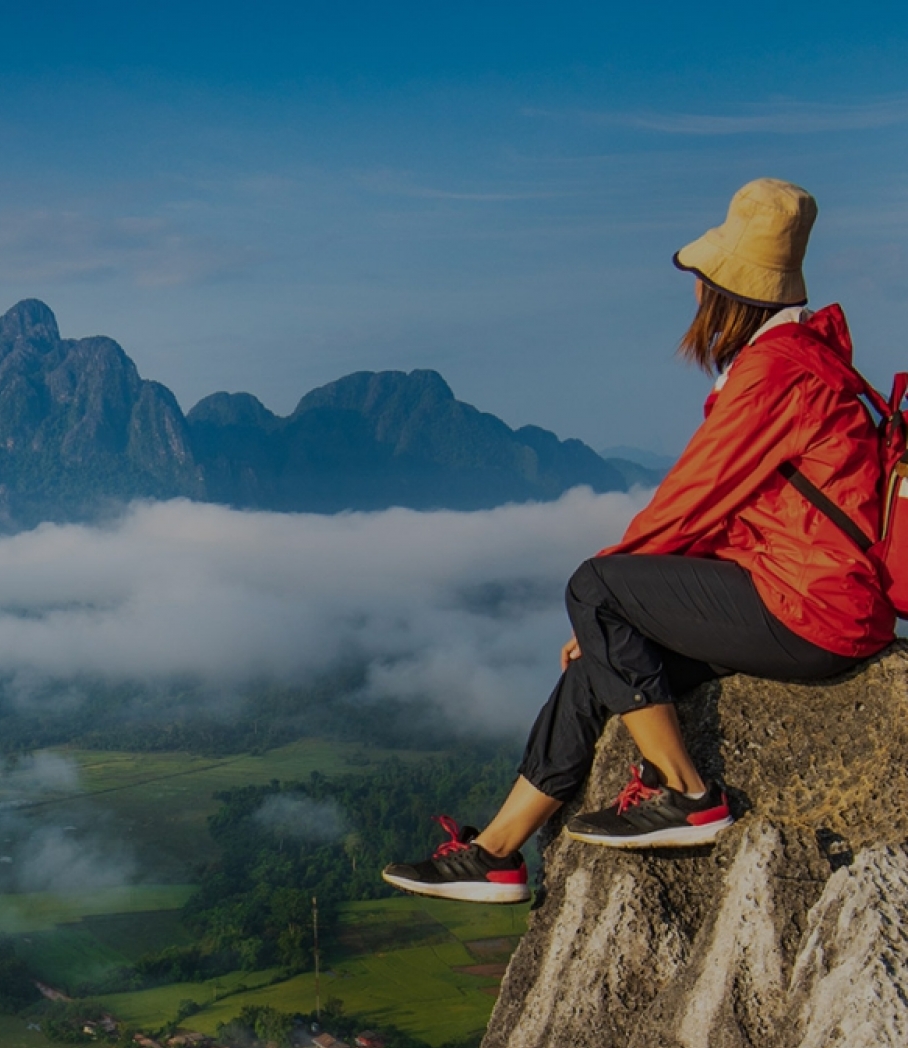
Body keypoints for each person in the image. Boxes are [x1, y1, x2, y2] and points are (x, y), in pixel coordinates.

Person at [383, 178, 898, 904]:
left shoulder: (777, 373)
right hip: (804, 596)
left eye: (701, 282)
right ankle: (497, 852)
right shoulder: (805, 356)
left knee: (594, 585)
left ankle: (689, 793)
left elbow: (691, 500)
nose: (693, 298)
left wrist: (609, 597)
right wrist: (615, 625)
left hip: (812, 611)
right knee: (601, 662)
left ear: (727, 289)